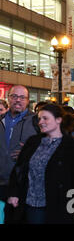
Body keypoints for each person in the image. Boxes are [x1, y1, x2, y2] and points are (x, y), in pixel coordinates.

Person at [6, 104, 74, 224]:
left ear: (58, 120)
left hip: (58, 205)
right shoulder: (32, 142)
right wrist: (14, 193)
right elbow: (19, 170)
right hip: (30, 203)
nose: (40, 122)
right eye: (39, 119)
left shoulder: (73, 147)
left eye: (45, 118)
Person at [0, 85, 39, 222]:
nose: (18, 100)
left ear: (28, 101)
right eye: (14, 96)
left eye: (22, 97)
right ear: (8, 98)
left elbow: (49, 147)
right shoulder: (1, 119)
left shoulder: (37, 121)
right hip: (2, 182)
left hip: (24, 183)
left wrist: (29, 152)